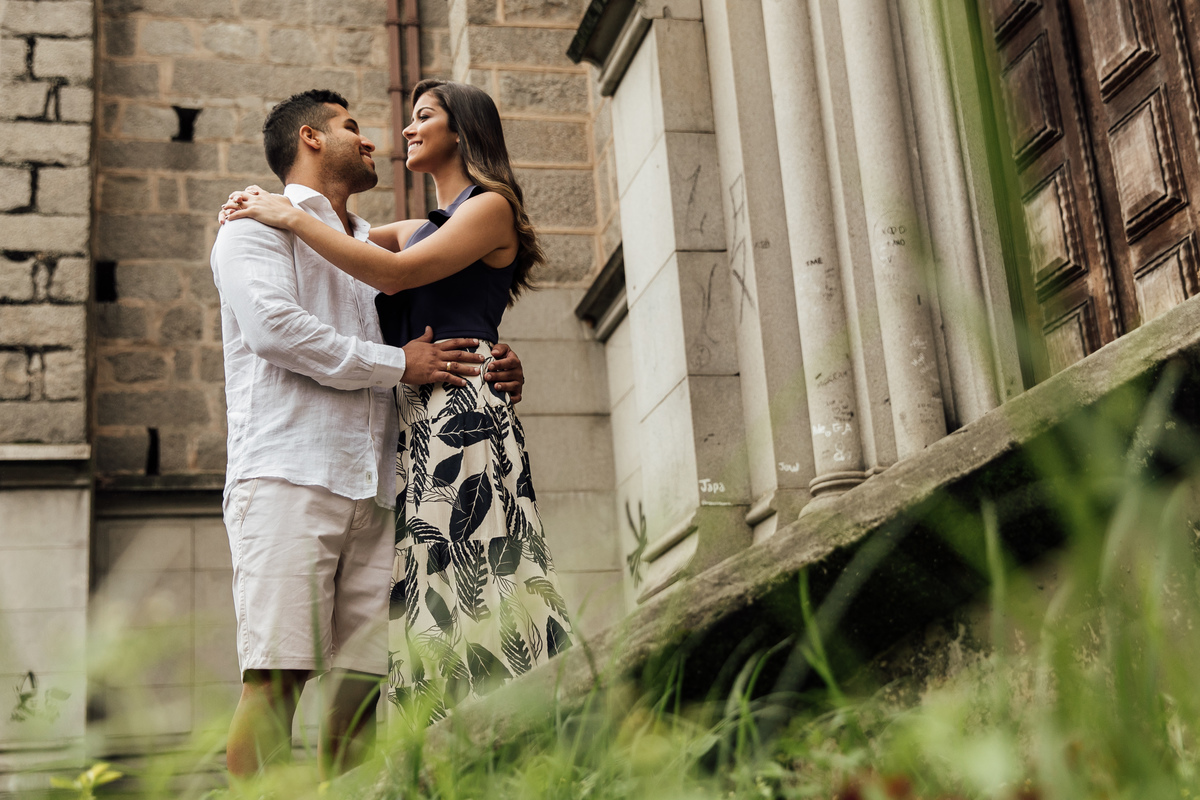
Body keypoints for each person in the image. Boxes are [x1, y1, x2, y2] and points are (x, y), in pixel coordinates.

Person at [222, 79, 574, 728]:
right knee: (434, 603)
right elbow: (344, 240)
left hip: (458, 419)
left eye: (423, 117)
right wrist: (272, 207)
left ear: (462, 130)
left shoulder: (489, 207)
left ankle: (533, 723)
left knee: (483, 578)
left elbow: (391, 277)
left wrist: (289, 214)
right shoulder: (410, 228)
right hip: (411, 440)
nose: (401, 131)